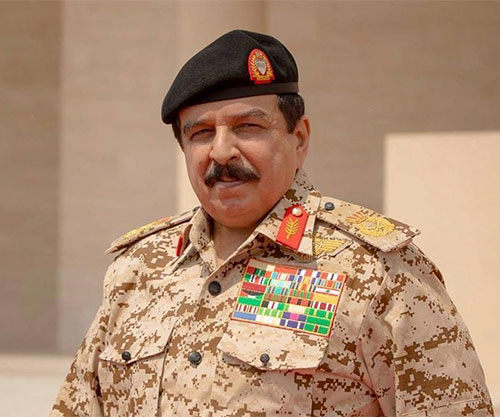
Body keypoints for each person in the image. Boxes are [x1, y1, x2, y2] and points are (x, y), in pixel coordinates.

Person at [51, 30, 493, 417]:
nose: (221, 151)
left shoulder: (379, 272)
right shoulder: (139, 268)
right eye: (200, 133)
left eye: (247, 127)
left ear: (298, 139)